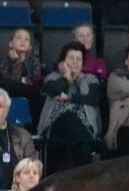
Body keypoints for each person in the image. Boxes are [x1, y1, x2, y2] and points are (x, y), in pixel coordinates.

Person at [38, 41, 103, 173]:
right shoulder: (53, 77)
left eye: (78, 59)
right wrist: (66, 77)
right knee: (69, 117)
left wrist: (69, 98)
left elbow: (93, 98)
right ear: (63, 61)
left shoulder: (90, 79)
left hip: (85, 126)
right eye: (71, 58)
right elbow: (53, 89)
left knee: (73, 129)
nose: (75, 62)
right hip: (56, 124)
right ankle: (87, 163)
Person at [0, 27, 44, 116]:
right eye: (19, 38)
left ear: (30, 46)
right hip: (11, 96)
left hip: (31, 97)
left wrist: (22, 81)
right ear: (11, 43)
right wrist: (16, 62)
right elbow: (9, 82)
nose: (23, 41)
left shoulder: (34, 62)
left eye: (26, 39)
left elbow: (35, 81)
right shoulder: (3, 63)